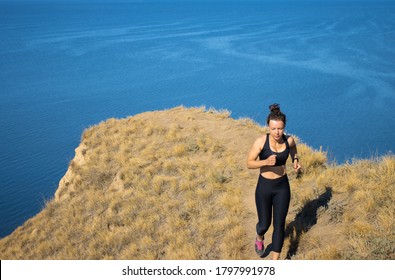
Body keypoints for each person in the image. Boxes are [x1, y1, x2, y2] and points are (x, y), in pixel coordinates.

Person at [247, 103, 301, 260]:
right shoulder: (261, 142)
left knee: (279, 225)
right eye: (273, 129)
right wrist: (265, 162)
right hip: (264, 187)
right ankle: (259, 237)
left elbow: (294, 148)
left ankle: (274, 263)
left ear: (284, 127)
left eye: (280, 129)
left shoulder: (288, 140)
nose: (277, 132)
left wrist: (295, 160)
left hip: (282, 187)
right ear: (268, 127)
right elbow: (249, 163)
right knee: (264, 224)